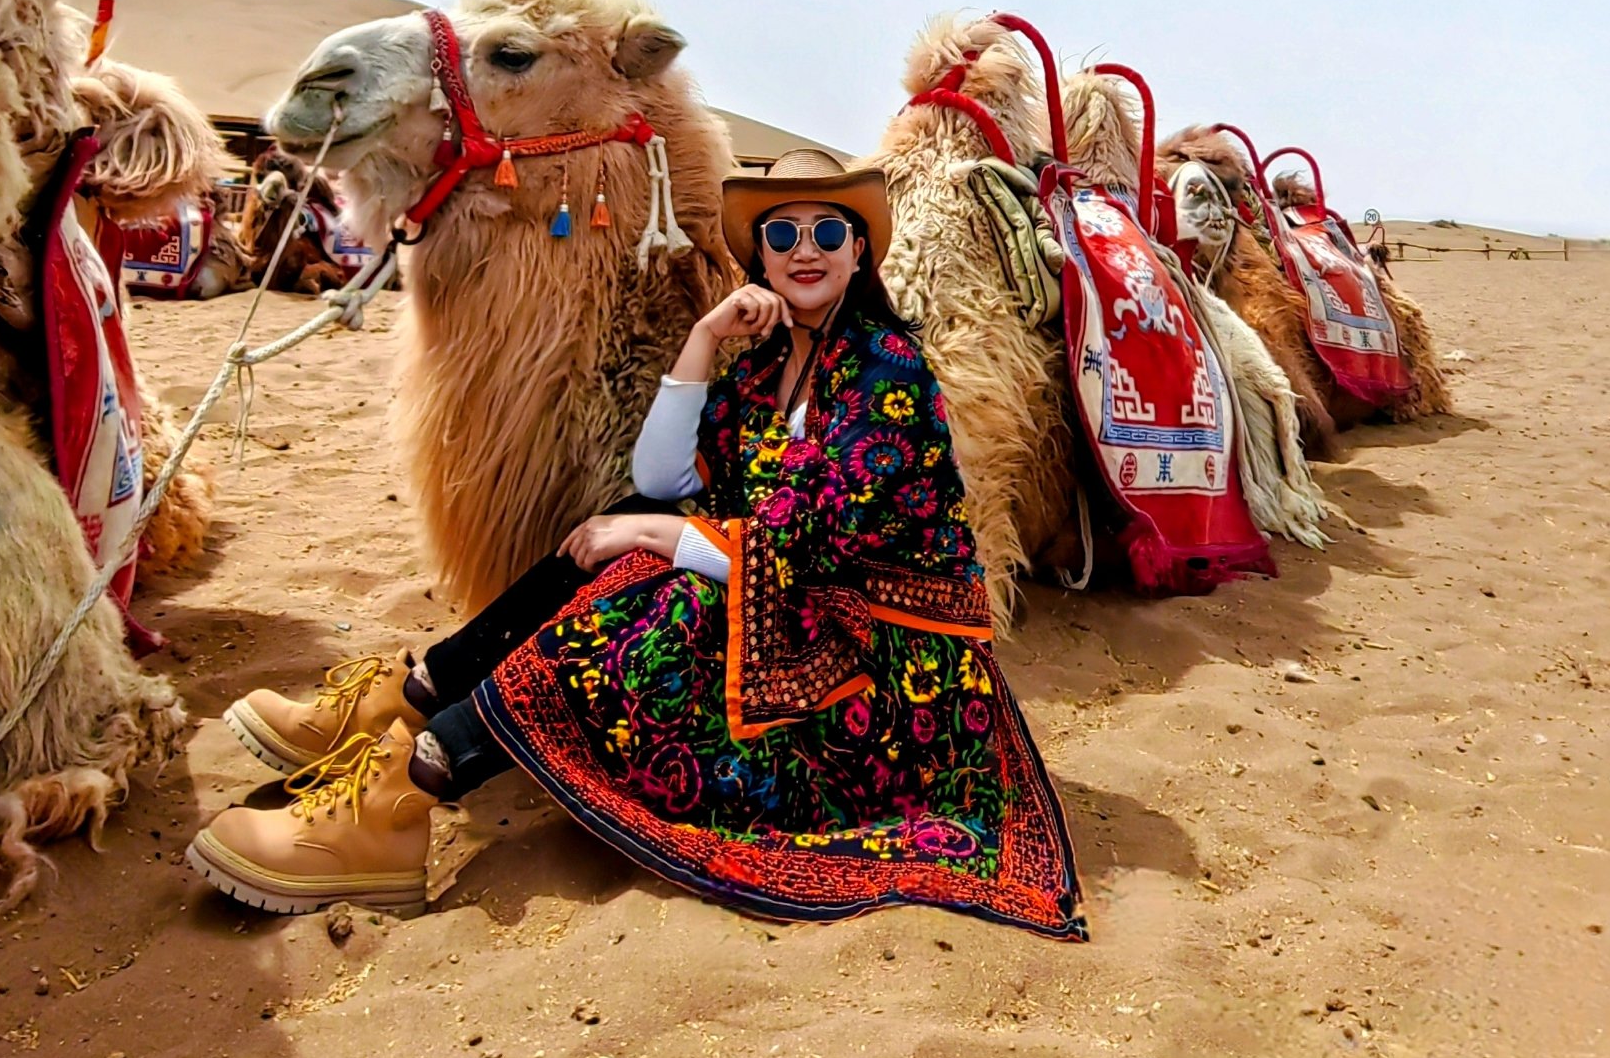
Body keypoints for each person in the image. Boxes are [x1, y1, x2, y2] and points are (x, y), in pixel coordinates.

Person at [186, 148, 1083, 940]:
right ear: (759, 253)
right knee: (629, 529)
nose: (804, 248)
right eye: (782, 231)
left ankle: (408, 792)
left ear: (858, 249)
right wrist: (701, 340)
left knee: (666, 581)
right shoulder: (770, 365)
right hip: (801, 613)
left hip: (891, 664)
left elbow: (802, 551)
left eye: (826, 229)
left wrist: (656, 532)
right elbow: (662, 477)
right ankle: (420, 697)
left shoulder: (888, 372)